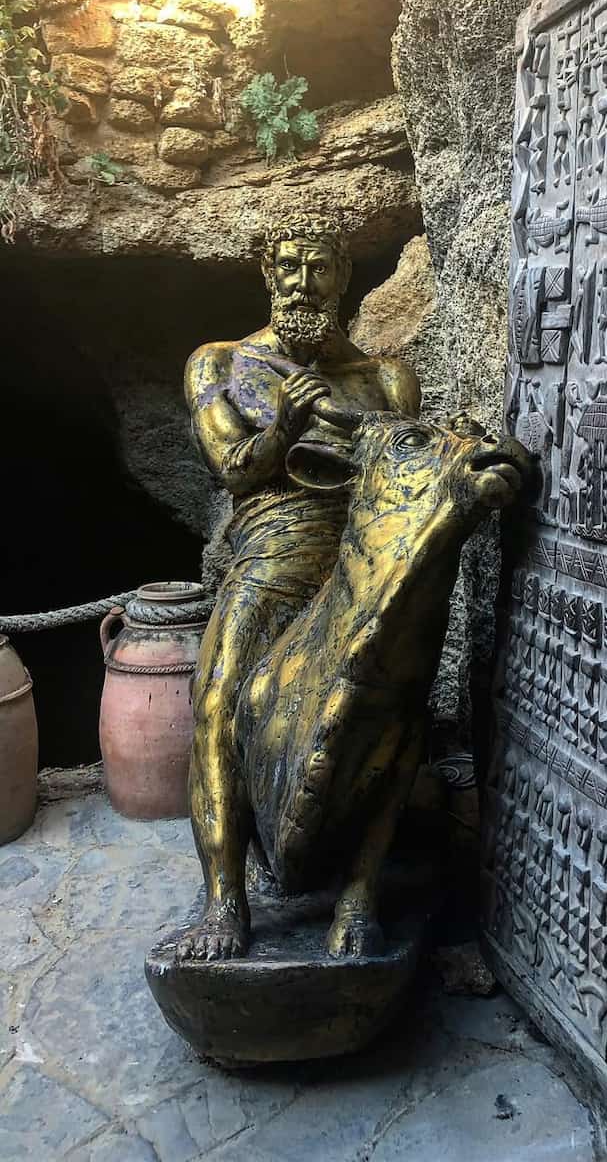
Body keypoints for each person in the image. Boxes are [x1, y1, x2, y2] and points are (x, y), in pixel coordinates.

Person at [179, 213, 420, 960]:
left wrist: (344, 418)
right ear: (267, 274)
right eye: (288, 267)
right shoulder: (220, 363)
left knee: (399, 711)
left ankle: (360, 892)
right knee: (216, 703)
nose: (302, 283)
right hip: (271, 561)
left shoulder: (385, 378)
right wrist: (284, 428)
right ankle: (225, 900)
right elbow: (233, 470)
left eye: (319, 268)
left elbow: (402, 475)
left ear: (343, 277)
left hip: (361, 566)